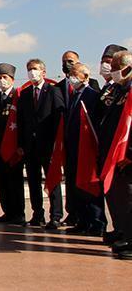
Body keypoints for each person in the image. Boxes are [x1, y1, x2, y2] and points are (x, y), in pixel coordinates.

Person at [17, 59, 65, 229]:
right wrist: (21, 144)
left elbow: (59, 117)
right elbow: (21, 121)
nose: (32, 72)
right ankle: (37, 214)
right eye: (29, 69)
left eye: (35, 69)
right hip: (30, 145)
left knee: (52, 180)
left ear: (43, 72)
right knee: (33, 181)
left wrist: (56, 144)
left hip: (48, 144)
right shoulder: (25, 94)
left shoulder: (53, 91)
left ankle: (56, 216)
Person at [93, 50, 132, 258]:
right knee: (121, 200)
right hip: (114, 154)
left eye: (117, 68)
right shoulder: (120, 90)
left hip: (127, 158)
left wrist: (130, 155)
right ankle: (126, 235)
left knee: (129, 199)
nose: (114, 72)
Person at [63, 63, 105, 236]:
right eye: (70, 74)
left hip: (87, 150)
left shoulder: (92, 96)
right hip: (73, 149)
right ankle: (82, 221)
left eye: (75, 74)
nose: (71, 77)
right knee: (76, 187)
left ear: (85, 77)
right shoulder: (74, 95)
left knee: (90, 188)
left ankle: (96, 223)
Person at [0, 63, 26, 225]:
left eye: (4, 77)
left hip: (13, 148)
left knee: (14, 181)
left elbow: (23, 122)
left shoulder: (19, 97)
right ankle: (7, 211)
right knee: (2, 182)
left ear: (12, 79)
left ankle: (18, 213)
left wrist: (20, 145)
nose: (1, 80)